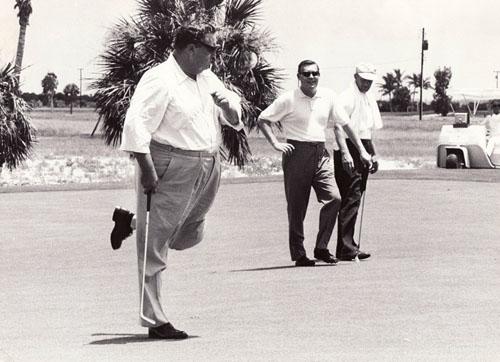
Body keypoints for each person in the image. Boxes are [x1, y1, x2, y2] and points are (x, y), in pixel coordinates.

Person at [110, 22, 243, 339]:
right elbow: (136, 125)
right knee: (153, 246)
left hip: (209, 163)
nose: (215, 55)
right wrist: (147, 169)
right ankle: (155, 320)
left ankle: (129, 222)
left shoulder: (207, 77)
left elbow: (235, 117)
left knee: (189, 234)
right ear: (191, 48)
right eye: (211, 49)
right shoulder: (160, 79)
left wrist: (229, 107)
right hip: (170, 163)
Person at [258, 60, 372, 267]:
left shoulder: (328, 96)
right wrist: (275, 143)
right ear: (299, 76)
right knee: (297, 208)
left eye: (314, 73)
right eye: (306, 74)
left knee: (334, 199)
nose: (311, 77)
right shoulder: (288, 99)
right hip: (296, 153)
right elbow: (263, 119)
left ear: (319, 75)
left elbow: (344, 124)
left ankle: (321, 248)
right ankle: (299, 253)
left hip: (321, 154)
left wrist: (362, 151)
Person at [333, 63, 382, 261]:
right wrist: (346, 154)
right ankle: (345, 248)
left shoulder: (369, 97)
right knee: (350, 197)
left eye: (370, 80)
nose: (367, 84)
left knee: (356, 195)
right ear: (355, 76)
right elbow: (338, 126)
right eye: (364, 80)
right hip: (349, 149)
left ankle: (348, 245)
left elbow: (367, 131)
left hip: (363, 148)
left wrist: (374, 154)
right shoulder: (346, 97)